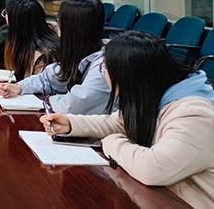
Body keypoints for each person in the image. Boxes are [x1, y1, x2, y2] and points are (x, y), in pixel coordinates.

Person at [41, 32, 214, 208]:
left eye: (105, 68)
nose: (103, 74)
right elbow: (117, 122)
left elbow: (153, 169)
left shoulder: (194, 114)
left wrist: (111, 142)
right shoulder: (153, 93)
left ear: (129, 74)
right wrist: (70, 124)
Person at [0, 0, 109, 115]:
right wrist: (19, 87)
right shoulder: (80, 52)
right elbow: (46, 79)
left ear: (69, 29)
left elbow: (73, 106)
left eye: (58, 21)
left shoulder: (104, 65)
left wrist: (46, 100)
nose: (55, 26)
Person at [3, 0, 59, 80]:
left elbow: (38, 86)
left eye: (6, 13)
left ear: (16, 22)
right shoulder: (20, 40)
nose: (5, 17)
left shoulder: (44, 56)